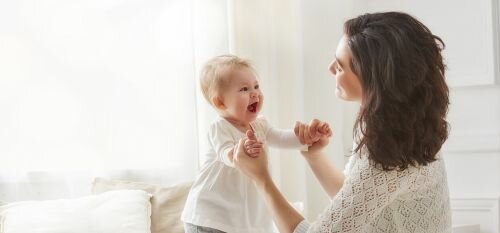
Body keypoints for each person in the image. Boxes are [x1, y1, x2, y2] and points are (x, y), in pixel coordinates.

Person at [233, 12, 452, 233]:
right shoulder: (405, 130)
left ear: (372, 79)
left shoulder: (395, 154)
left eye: (339, 67)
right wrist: (314, 156)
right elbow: (357, 201)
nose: (330, 69)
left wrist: (261, 178)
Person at [181, 55, 332, 233]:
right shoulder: (220, 127)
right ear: (220, 102)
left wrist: (306, 137)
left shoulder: (260, 125)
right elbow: (225, 153)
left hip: (235, 219)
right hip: (209, 217)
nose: (254, 93)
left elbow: (281, 138)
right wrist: (239, 151)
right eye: (244, 89)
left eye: (256, 86)